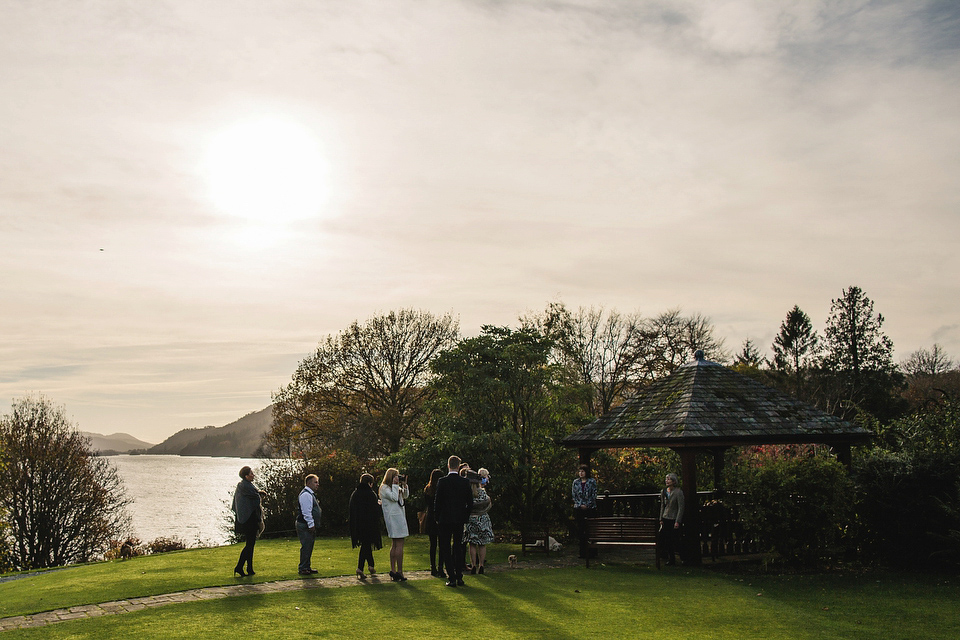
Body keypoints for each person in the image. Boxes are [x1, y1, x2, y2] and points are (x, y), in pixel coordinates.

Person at [434, 455, 474, 587]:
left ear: (448, 465)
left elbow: (437, 502)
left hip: (445, 519)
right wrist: (465, 516)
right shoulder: (464, 482)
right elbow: (470, 502)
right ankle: (459, 576)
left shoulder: (442, 481)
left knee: (445, 548)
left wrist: (437, 517)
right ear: (458, 466)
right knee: (458, 547)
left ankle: (451, 577)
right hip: (459, 519)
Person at [231, 466, 264, 577]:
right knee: (250, 544)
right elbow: (255, 499)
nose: (253, 475)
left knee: (251, 544)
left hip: (249, 519)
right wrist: (259, 495)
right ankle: (239, 567)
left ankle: (249, 568)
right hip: (249, 519)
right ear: (246, 476)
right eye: (251, 473)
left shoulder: (244, 486)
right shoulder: (246, 486)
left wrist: (258, 494)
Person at [349, 473, 382, 580]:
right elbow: (375, 511)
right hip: (369, 525)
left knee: (366, 545)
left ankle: (371, 566)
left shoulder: (355, 494)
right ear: (370, 483)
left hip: (357, 525)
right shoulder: (371, 494)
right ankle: (360, 568)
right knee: (366, 545)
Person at [380, 468, 410, 581]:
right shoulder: (384, 488)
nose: (398, 478)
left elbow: (405, 496)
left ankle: (394, 571)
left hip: (398, 517)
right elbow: (393, 497)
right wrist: (395, 485)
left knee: (395, 544)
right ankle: (399, 571)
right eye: (396, 476)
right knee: (399, 544)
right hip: (394, 519)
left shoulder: (394, 487)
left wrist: (404, 486)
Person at [463, 470, 494, 574]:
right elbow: (488, 504)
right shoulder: (482, 492)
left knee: (472, 543)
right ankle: (481, 564)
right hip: (482, 519)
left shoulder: (467, 493)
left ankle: (473, 565)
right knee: (482, 543)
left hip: (471, 519)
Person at [296, 474, 322, 575]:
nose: (317, 484)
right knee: (306, 546)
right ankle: (303, 568)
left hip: (307, 524)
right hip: (304, 524)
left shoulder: (310, 494)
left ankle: (307, 566)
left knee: (309, 546)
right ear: (308, 483)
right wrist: (311, 524)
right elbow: (306, 511)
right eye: (315, 482)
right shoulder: (306, 495)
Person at [572, 463, 598, 559]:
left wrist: (587, 505)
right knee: (581, 531)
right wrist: (580, 505)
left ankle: (592, 552)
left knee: (591, 531)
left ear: (586, 472)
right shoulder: (575, 482)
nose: (581, 473)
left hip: (590, 509)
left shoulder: (592, 482)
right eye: (579, 471)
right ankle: (582, 552)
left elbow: (593, 495)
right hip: (579, 509)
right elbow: (574, 496)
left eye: (582, 471)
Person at [659, 472, 685, 566]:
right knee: (667, 539)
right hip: (666, 517)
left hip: (674, 518)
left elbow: (681, 507)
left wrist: (678, 521)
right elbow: (662, 505)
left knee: (676, 539)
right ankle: (671, 559)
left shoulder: (678, 492)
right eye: (666, 479)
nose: (667, 481)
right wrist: (661, 518)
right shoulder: (664, 492)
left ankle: (683, 557)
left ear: (674, 481)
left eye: (669, 479)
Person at [423, 468, 444, 577]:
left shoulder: (427, 489)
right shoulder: (442, 489)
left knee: (433, 545)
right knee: (442, 544)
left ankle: (433, 567)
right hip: (440, 517)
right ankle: (440, 567)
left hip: (430, 517)